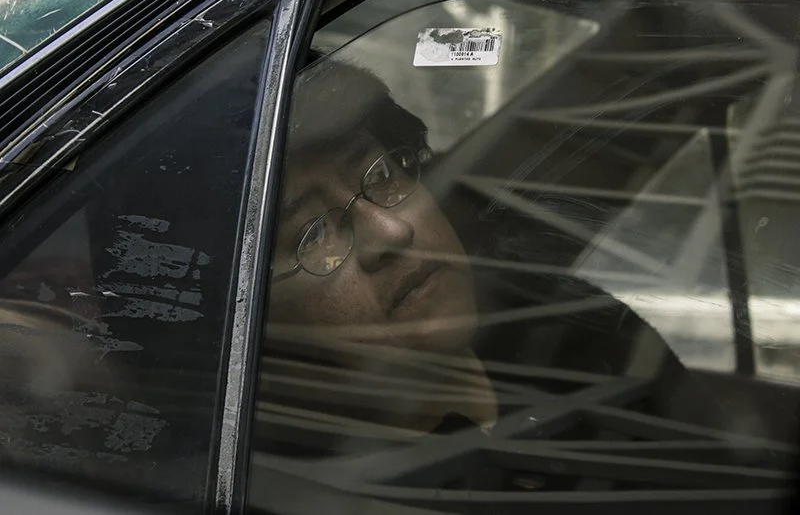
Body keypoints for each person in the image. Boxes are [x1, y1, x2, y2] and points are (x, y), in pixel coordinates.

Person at [257, 51, 731, 466]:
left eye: (380, 176)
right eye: (311, 234)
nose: (392, 232)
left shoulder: (562, 317)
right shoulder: (286, 485)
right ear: (258, 321)